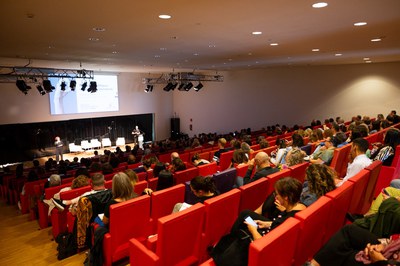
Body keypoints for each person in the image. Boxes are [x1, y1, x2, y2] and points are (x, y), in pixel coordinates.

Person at [214, 177, 306, 265]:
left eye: (277, 194)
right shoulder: (299, 207)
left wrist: (253, 230)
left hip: (263, 245)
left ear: (286, 197)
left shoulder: (287, 222)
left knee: (244, 230)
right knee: (245, 215)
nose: (276, 197)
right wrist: (267, 224)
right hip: (269, 233)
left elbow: (265, 246)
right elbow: (279, 224)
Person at [307, 222, 400, 266]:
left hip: (386, 262)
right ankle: (314, 264)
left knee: (348, 255)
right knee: (349, 231)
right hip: (391, 250)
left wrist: (380, 260)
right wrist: (382, 245)